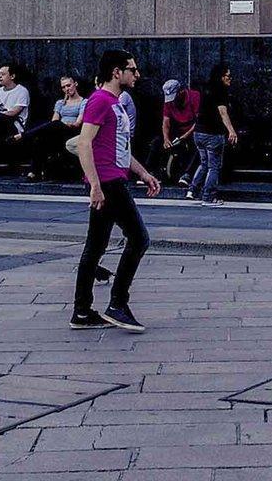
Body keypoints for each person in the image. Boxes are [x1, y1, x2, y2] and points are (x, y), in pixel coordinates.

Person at [71, 48, 161, 332]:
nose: (137, 74)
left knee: (95, 247)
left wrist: (143, 173)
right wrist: (95, 185)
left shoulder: (115, 103)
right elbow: (84, 143)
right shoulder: (100, 101)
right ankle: (118, 304)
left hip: (112, 178)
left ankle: (82, 312)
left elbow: (119, 148)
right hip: (108, 183)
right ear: (116, 72)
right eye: (132, 70)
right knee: (139, 238)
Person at [20, 74, 89, 179]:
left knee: (56, 125)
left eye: (68, 85)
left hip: (72, 131)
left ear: (75, 84)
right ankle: (34, 172)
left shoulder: (83, 102)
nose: (66, 89)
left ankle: (24, 135)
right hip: (58, 131)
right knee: (40, 139)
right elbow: (54, 120)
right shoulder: (60, 103)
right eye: (63, 87)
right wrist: (59, 124)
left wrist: (65, 124)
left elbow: (78, 122)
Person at [187, 64, 238, 203]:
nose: (230, 79)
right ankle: (208, 196)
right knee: (213, 166)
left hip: (199, 132)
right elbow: (223, 112)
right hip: (213, 133)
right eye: (228, 76)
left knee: (204, 163)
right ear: (221, 77)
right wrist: (231, 130)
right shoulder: (220, 91)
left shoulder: (206, 89)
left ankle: (192, 190)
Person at [159, 77, 200, 186]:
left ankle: (188, 175)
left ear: (181, 91)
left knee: (197, 146)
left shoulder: (194, 96)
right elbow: (166, 122)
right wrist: (166, 138)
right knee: (157, 143)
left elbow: (199, 121)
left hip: (193, 130)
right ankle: (155, 172)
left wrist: (186, 136)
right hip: (177, 130)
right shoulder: (169, 102)